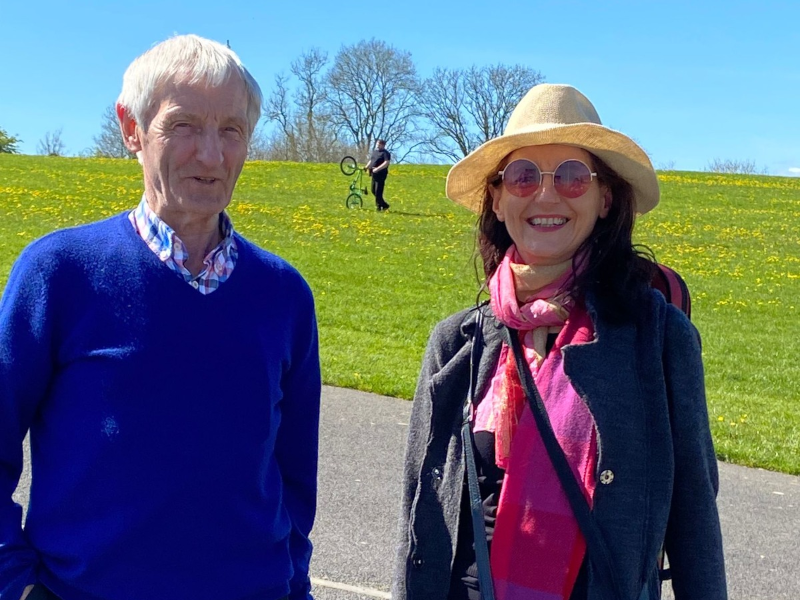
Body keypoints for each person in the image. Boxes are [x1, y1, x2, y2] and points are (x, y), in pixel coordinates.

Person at [0, 35, 321, 600]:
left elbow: (294, 481)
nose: (212, 154)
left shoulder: (283, 294)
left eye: (231, 131)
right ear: (132, 128)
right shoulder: (59, 273)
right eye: (184, 126)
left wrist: (292, 584)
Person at [392, 84, 726, 600]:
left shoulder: (658, 339)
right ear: (498, 201)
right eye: (523, 176)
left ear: (604, 198)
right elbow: (419, 514)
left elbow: (696, 526)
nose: (546, 195)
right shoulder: (456, 343)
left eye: (572, 176)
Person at [365, 139, 391, 211]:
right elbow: (371, 160)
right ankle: (384, 205)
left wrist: (377, 169)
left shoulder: (386, 153)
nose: (377, 145)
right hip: (374, 174)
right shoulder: (375, 152)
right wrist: (366, 167)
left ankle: (379, 207)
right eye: (377, 144)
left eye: (379, 144)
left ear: (383, 145)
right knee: (373, 190)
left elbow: (386, 163)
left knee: (378, 191)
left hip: (381, 174)